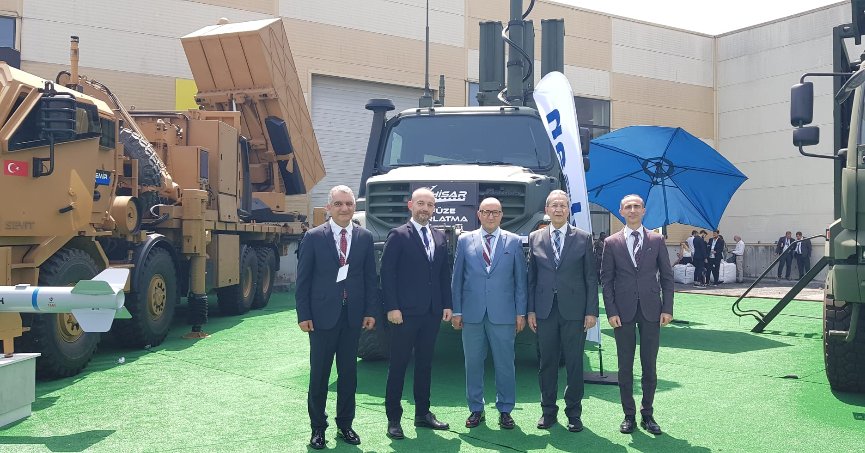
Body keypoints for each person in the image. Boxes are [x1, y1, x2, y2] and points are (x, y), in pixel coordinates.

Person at [296, 185, 378, 449]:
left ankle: (345, 425)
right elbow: (303, 280)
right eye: (339, 204)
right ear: (328, 207)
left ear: (355, 207)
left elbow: (369, 278)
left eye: (349, 204)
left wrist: (370, 311)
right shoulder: (313, 237)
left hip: (352, 317)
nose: (344, 208)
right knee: (320, 375)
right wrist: (303, 314)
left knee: (348, 374)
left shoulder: (364, 237)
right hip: (321, 318)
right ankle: (318, 428)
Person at [381, 188, 453, 439]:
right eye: (421, 203)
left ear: (434, 209)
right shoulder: (398, 235)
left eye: (430, 205)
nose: (425, 208)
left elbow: (443, 273)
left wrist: (446, 304)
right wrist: (392, 307)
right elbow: (387, 273)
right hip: (404, 314)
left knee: (425, 365)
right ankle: (393, 419)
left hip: (431, 312)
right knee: (398, 365)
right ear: (411, 205)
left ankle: (423, 414)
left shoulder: (439, 236)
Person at [451, 197, 527, 430]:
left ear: (502, 215)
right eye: (486, 212)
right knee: (473, 363)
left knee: (505, 364)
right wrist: (457, 310)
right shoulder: (465, 240)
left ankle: (505, 410)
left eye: (495, 212)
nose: (491, 216)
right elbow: (457, 279)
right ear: (479, 214)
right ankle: (476, 409)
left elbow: (520, 281)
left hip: (504, 314)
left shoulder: (514, 241)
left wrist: (521, 313)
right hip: (472, 314)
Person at [601, 194, 674, 436]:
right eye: (628, 207)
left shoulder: (657, 239)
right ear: (621, 211)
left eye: (636, 206)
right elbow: (606, 281)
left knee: (649, 364)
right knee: (625, 366)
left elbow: (667, 277)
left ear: (643, 211)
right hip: (622, 312)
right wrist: (611, 311)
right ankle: (628, 415)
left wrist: (667, 308)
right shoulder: (611, 242)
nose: (632, 210)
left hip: (652, 310)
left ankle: (648, 413)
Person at [527, 190, 599, 433]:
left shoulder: (583, 238)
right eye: (554, 205)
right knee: (547, 363)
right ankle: (548, 411)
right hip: (544, 311)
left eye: (563, 205)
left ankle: (574, 414)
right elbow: (531, 278)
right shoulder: (535, 237)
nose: (558, 209)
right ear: (546, 210)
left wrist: (591, 312)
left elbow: (591, 278)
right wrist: (531, 310)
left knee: (574, 364)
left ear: (568, 210)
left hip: (575, 312)